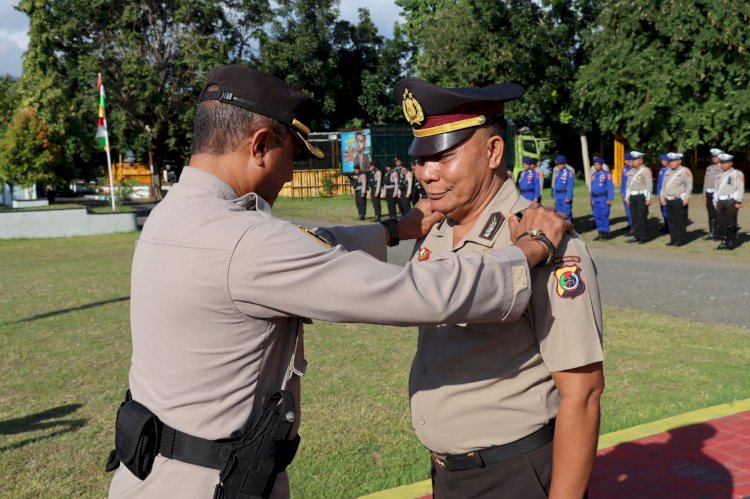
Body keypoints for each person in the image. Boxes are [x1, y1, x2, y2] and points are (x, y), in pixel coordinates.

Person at [106, 65, 570, 499]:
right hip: (209, 482)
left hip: (151, 472)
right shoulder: (244, 241)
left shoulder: (176, 214)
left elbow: (296, 245)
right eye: (293, 156)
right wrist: (527, 252)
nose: (290, 175)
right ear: (260, 144)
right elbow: (410, 293)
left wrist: (394, 229)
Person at [395, 76, 604, 499]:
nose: (427, 173)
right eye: (420, 158)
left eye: (444, 156)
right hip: (450, 473)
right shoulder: (434, 229)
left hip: (514, 475)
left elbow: (582, 392)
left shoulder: (544, 240)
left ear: (492, 152)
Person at [659, 152, 693, 247]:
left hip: (679, 199)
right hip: (669, 199)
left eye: (674, 161)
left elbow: (689, 185)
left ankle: (681, 239)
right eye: (670, 161)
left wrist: (686, 197)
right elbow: (663, 186)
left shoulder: (685, 171)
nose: (671, 163)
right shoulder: (667, 171)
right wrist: (662, 197)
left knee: (680, 220)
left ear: (679, 161)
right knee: (671, 220)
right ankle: (673, 239)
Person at [713, 153, 744, 250]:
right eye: (722, 162)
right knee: (721, 222)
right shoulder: (718, 175)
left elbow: (740, 188)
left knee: (731, 222)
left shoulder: (737, 173)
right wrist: (715, 201)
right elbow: (716, 189)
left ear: (731, 163)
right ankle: (723, 241)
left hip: (731, 200)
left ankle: (731, 242)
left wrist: (739, 201)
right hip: (720, 201)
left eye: (725, 162)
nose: (723, 164)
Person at [624, 151, 652, 244]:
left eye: (635, 160)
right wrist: (627, 197)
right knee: (634, 216)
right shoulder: (631, 171)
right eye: (633, 160)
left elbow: (649, 185)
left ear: (641, 160)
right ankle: (636, 235)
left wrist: (648, 198)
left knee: (641, 217)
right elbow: (628, 185)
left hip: (641, 196)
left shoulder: (646, 170)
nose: (633, 162)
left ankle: (643, 237)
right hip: (632, 196)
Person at [590, 156, 614, 240]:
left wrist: (610, 198)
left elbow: (610, 186)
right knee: (597, 216)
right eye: (595, 165)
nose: (596, 166)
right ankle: (600, 233)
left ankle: (605, 234)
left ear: (601, 165)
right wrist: (592, 199)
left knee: (604, 215)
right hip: (595, 199)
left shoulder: (607, 174)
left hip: (603, 198)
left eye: (598, 164)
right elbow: (592, 187)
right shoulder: (593, 174)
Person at [703, 148, 724, 240]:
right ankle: (712, 232)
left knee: (719, 214)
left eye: (716, 156)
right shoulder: (709, 168)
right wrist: (704, 194)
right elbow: (705, 182)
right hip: (709, 193)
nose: (714, 158)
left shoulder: (723, 168)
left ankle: (720, 233)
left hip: (718, 194)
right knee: (711, 214)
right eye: (713, 157)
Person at [552, 154, 575, 220]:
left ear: (564, 164)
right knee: (559, 215)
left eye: (560, 164)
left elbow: (570, 186)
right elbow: (555, 185)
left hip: (565, 196)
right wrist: (554, 196)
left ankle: (568, 229)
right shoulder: (557, 173)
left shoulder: (569, 173)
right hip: (558, 197)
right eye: (558, 164)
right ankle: (562, 230)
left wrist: (569, 197)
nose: (559, 166)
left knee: (566, 214)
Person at [655, 153, 671, 234]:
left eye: (664, 160)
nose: (662, 162)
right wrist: (658, 193)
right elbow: (659, 183)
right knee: (663, 210)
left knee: (668, 210)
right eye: (661, 160)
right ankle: (666, 225)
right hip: (661, 193)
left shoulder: (670, 170)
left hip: (667, 193)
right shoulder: (662, 170)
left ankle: (670, 226)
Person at [620, 152, 633, 233]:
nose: (625, 161)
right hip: (624, 192)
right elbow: (623, 181)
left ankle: (633, 227)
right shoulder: (624, 169)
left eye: (626, 160)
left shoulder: (632, 169)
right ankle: (630, 224)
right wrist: (622, 191)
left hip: (630, 192)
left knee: (630, 210)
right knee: (627, 210)